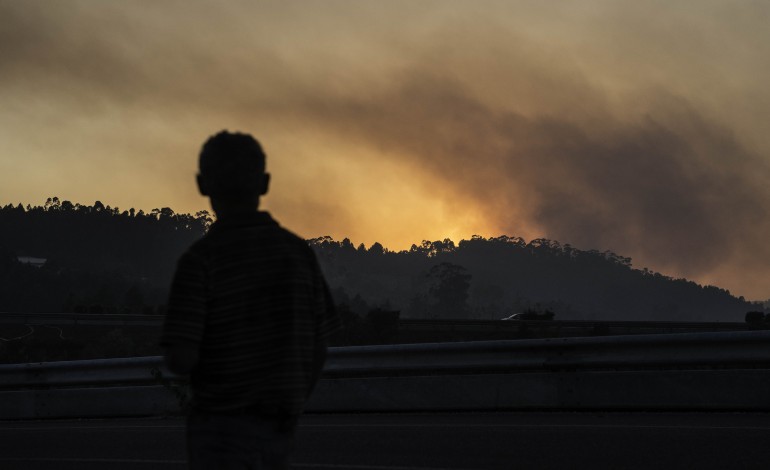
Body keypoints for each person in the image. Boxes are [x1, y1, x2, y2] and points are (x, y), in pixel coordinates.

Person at [160, 130, 340, 469]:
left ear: (202, 185)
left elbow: (181, 358)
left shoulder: (201, 260)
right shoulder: (297, 253)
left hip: (220, 429)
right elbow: (319, 346)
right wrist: (294, 401)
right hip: (280, 423)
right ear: (265, 183)